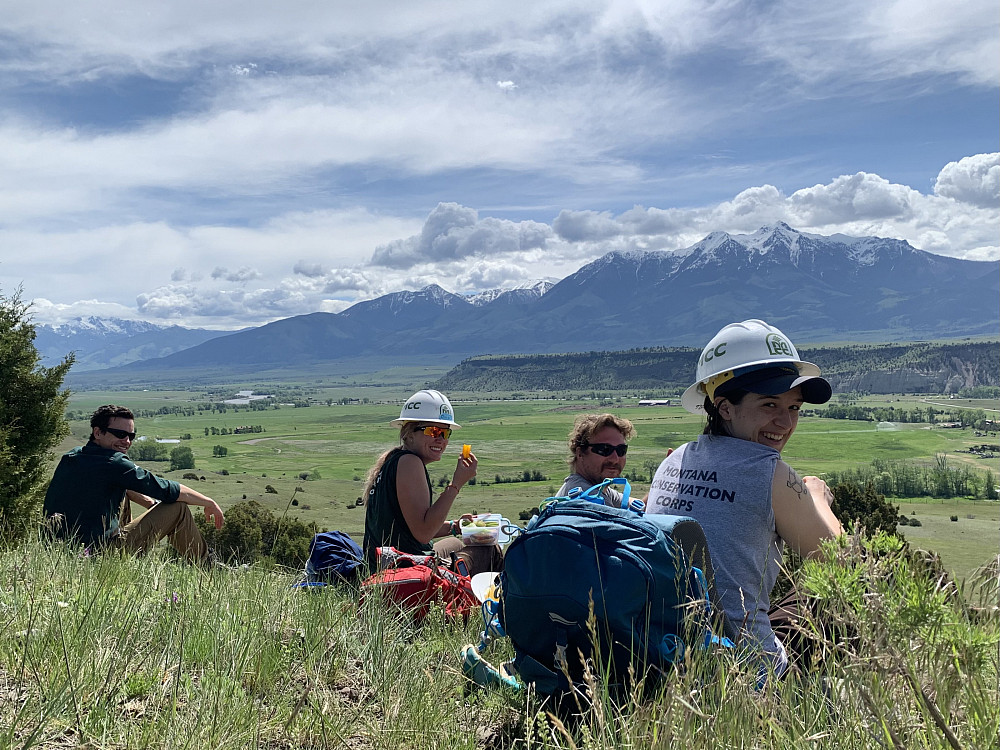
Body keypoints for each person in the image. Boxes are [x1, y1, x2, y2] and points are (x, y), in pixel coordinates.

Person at [646, 319, 843, 678]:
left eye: (794, 408)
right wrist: (817, 498)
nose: (785, 422)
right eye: (769, 405)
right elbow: (846, 564)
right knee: (825, 599)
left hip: (666, 655)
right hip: (746, 673)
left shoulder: (672, 461)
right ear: (724, 408)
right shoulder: (768, 471)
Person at [43, 405, 224, 563]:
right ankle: (206, 565)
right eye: (120, 434)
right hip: (98, 556)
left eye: (131, 435)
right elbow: (169, 490)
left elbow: (124, 483)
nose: (127, 441)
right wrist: (209, 502)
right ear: (97, 432)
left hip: (57, 552)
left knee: (122, 488)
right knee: (179, 509)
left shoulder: (72, 456)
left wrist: (152, 506)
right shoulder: (114, 463)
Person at [362, 389, 499, 575]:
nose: (441, 439)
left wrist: (454, 527)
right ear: (409, 433)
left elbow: (410, 527)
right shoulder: (410, 463)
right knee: (490, 550)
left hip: (385, 566)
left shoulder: (393, 460)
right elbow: (423, 533)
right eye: (433, 431)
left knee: (455, 543)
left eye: (445, 433)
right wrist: (456, 484)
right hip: (406, 572)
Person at [557, 413, 636, 506]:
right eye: (604, 449)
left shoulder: (598, 489)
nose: (615, 459)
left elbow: (641, 506)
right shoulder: (587, 498)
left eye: (621, 450)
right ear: (580, 453)